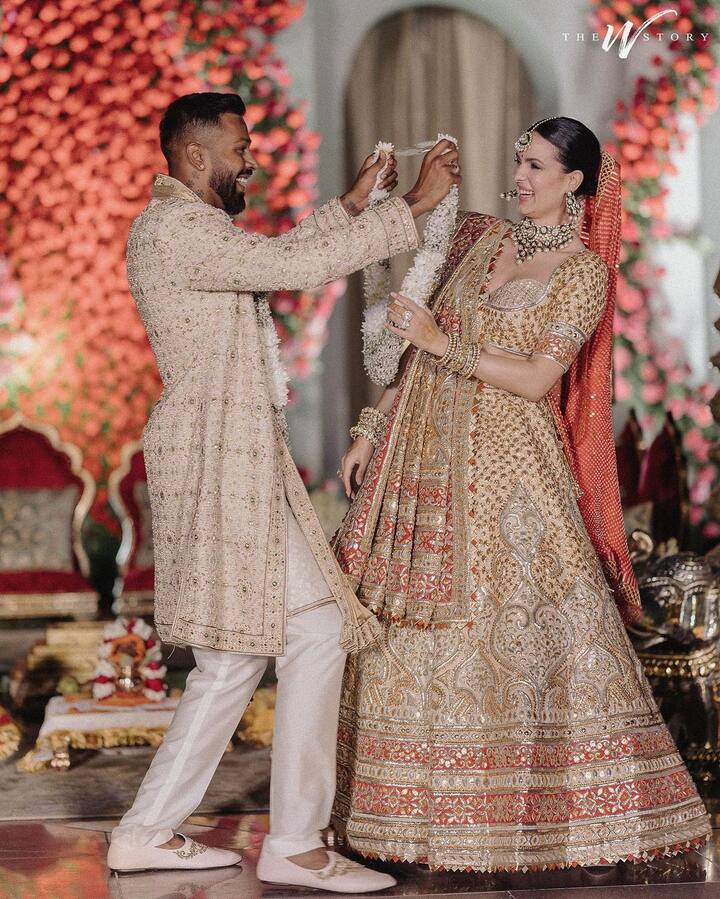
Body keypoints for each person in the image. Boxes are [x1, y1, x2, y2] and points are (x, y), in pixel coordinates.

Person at [332, 116, 710, 873]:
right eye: (518, 160)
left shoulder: (581, 272)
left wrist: (448, 345)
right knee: (402, 626)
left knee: (510, 630)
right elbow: (409, 345)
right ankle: (400, 819)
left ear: (575, 181)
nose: (522, 176)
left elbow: (540, 378)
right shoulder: (477, 239)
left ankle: (533, 820)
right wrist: (370, 429)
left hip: (510, 466)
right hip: (421, 451)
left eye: (538, 165)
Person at [107, 91, 460, 894]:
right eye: (240, 146)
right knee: (258, 646)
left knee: (283, 639)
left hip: (234, 457)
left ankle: (201, 832)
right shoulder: (172, 229)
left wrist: (350, 205)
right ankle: (269, 839)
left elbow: (270, 257)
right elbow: (284, 266)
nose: (252, 159)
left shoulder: (198, 229)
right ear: (196, 155)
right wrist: (410, 206)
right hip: (214, 459)